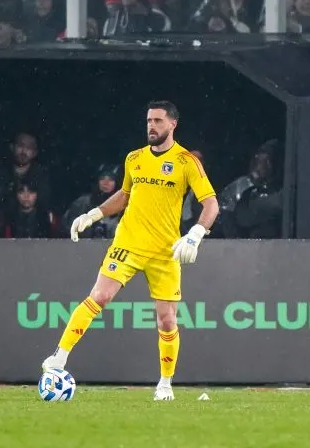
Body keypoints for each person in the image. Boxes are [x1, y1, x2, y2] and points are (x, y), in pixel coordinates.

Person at [41, 101, 219, 401]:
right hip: (128, 243)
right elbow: (123, 196)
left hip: (165, 250)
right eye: (149, 120)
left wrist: (196, 233)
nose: (152, 126)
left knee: (166, 320)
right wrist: (93, 215)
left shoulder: (186, 162)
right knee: (100, 296)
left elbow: (211, 203)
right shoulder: (134, 158)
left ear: (173, 125)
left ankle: (164, 383)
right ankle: (60, 356)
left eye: (158, 121)